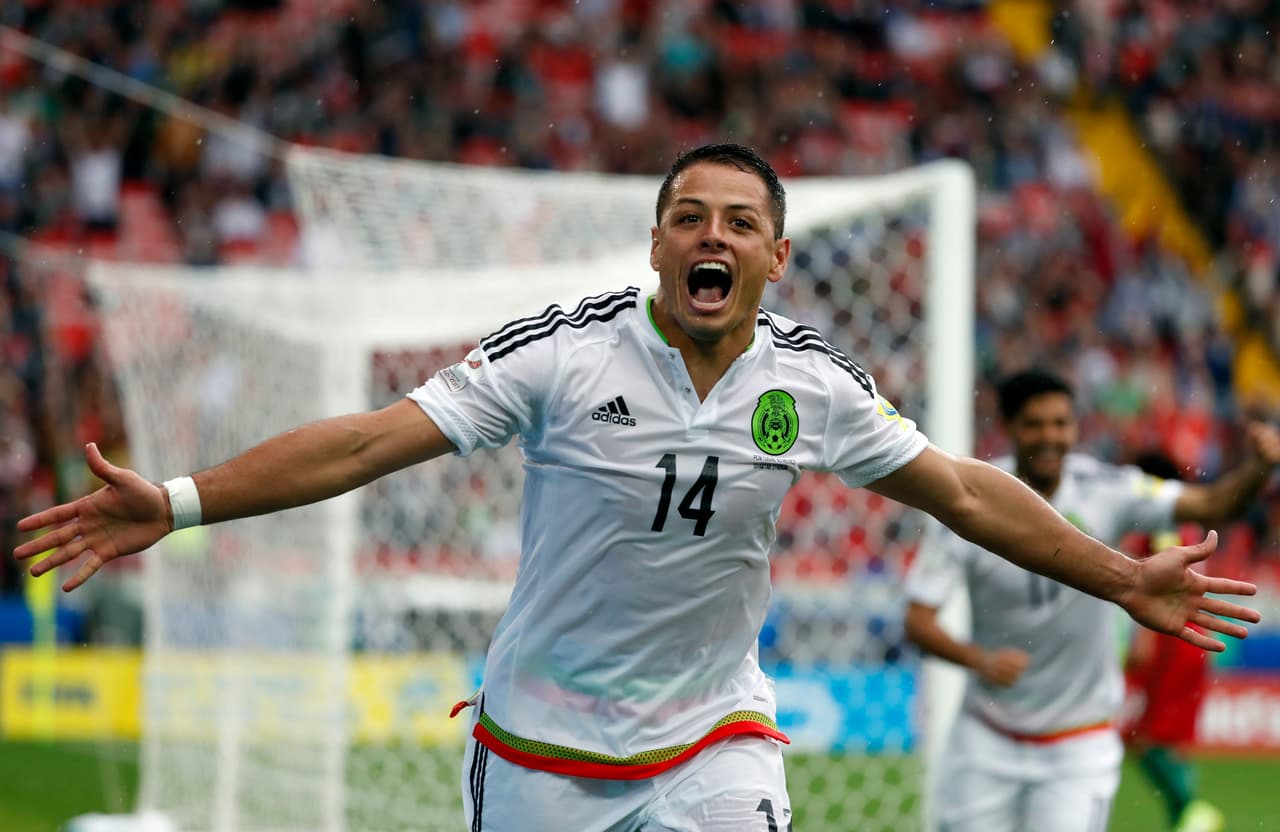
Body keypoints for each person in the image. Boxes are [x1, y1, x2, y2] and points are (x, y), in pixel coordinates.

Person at [13, 145, 1262, 832]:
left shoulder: (814, 385)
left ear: (775, 254)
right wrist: (172, 502)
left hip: (713, 736)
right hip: (540, 752)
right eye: (684, 218)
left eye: (734, 221)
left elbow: (965, 494)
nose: (707, 237)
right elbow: (360, 446)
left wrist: (1116, 575)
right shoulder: (560, 351)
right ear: (655, 242)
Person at [902, 369, 1279, 832]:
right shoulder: (968, 499)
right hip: (987, 737)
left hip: (1078, 743)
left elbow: (1213, 505)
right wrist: (977, 659)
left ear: (1076, 428)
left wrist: (1257, 469)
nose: (1050, 436)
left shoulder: (1108, 489)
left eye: (1061, 423)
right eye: (1034, 424)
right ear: (1009, 428)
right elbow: (917, 620)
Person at [1122, 451, 1225, 832]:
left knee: (1139, 735)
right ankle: (1183, 817)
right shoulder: (1182, 520)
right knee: (1169, 740)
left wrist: (1144, 640)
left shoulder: (1159, 521)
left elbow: (1162, 584)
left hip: (1172, 642)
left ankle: (1191, 810)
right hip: (1191, 640)